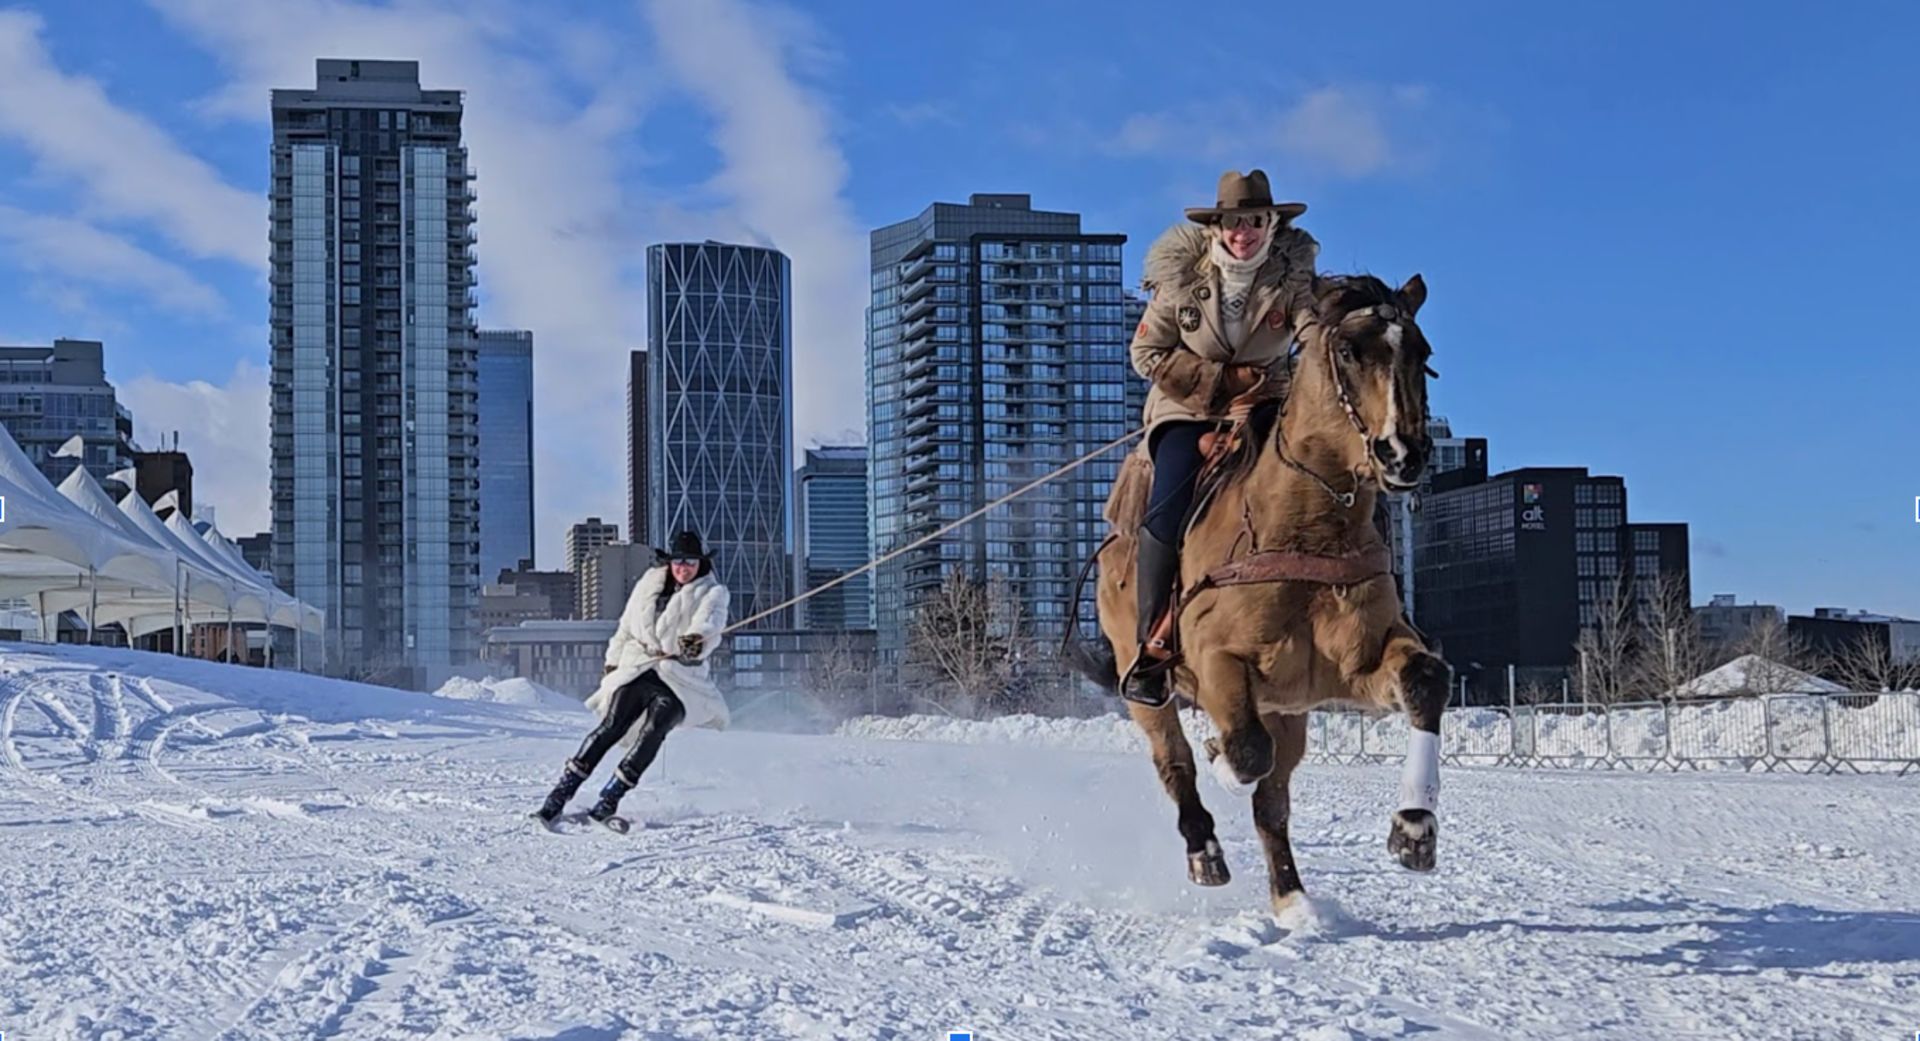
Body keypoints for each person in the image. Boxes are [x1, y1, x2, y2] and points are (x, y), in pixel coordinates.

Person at [1121, 169, 1320, 705]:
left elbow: (1310, 331)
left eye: (1255, 221)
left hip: (1266, 407)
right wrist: (1219, 382)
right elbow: (1146, 354)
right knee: (1168, 508)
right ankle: (1153, 645)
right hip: (1183, 412)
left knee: (1325, 480)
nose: (1244, 233)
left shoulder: (1294, 279)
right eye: (1234, 223)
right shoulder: (1182, 280)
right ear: (1217, 226)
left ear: (1271, 225)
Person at [532, 530, 731, 831]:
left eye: (690, 562)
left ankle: (609, 800)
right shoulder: (648, 585)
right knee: (612, 726)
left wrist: (696, 641)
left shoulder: (713, 593)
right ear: (670, 561)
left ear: (700, 564)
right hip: (639, 666)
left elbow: (711, 622)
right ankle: (558, 797)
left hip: (681, 678)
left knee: (655, 729)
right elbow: (625, 628)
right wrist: (612, 665)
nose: (683, 567)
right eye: (678, 561)